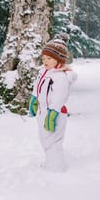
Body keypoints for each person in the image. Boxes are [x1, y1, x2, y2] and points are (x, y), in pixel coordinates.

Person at [29, 34, 77, 172]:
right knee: (44, 139)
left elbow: (59, 96)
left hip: (54, 113)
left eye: (49, 58)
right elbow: (37, 86)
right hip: (43, 111)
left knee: (53, 141)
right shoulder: (44, 71)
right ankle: (51, 162)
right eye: (43, 58)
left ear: (59, 59)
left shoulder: (61, 77)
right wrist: (34, 99)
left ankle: (55, 169)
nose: (45, 61)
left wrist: (53, 112)